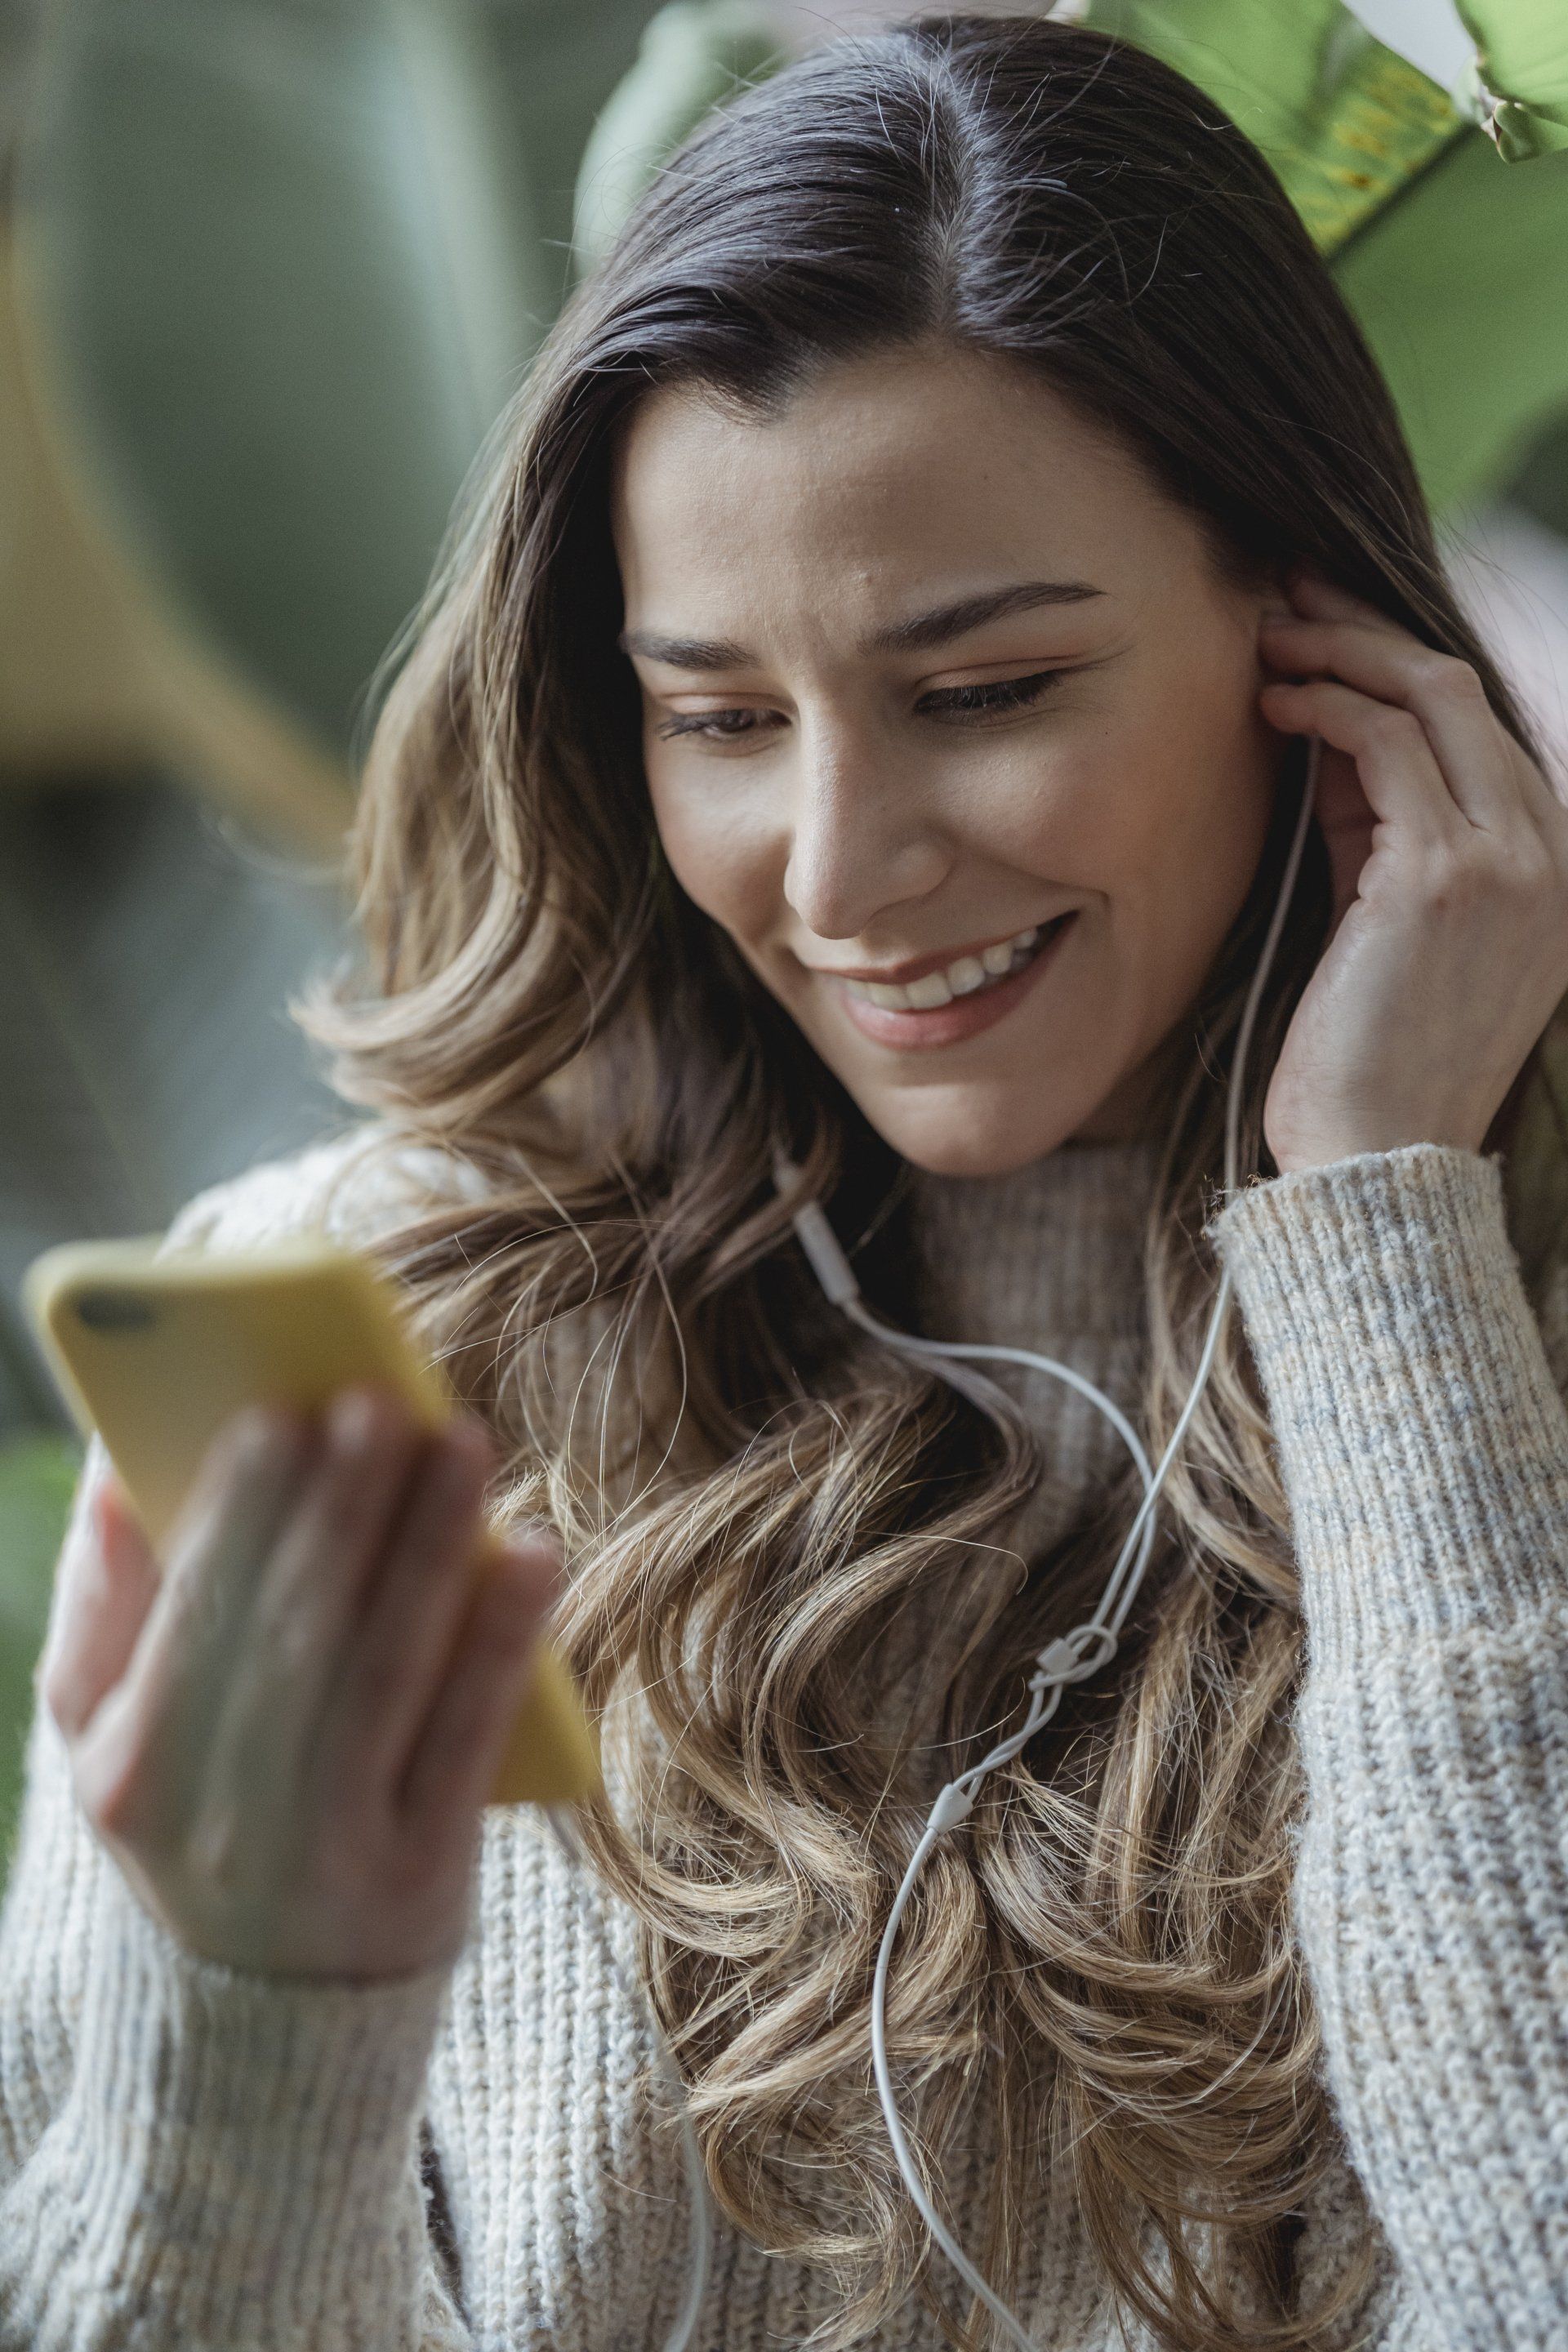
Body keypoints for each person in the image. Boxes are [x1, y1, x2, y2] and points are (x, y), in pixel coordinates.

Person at [5, 11, 1568, 2349]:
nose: (838, 871)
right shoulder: (374, 1340)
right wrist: (262, 2036)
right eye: (720, 718)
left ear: (1307, 641)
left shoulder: (1494, 1357)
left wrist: (1380, 1248)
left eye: (983, 691)